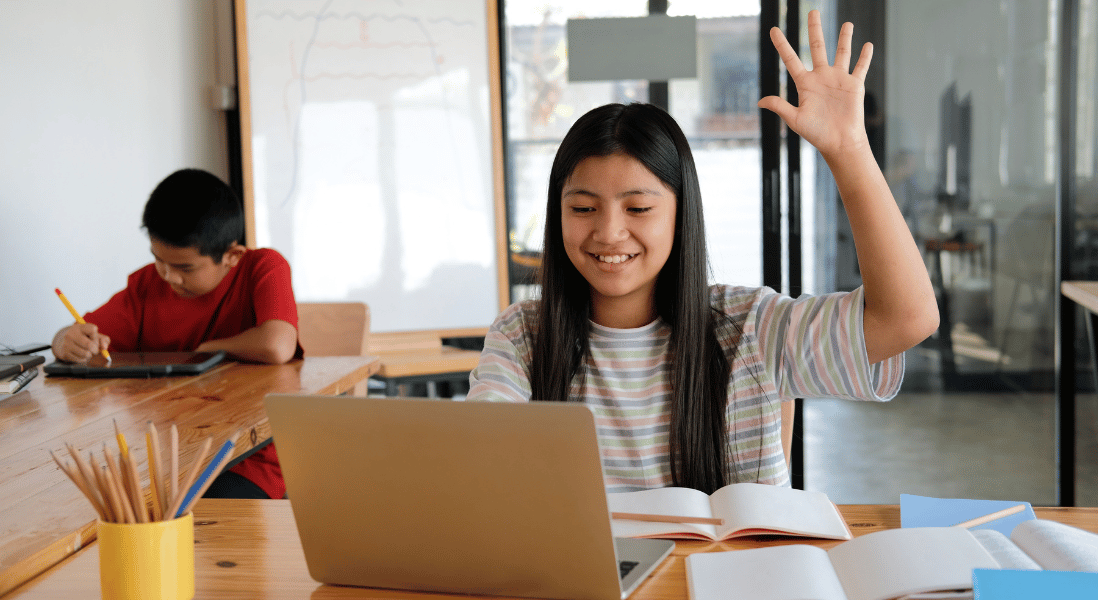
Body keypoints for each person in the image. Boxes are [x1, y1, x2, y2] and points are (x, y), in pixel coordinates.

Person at [468, 11, 938, 493]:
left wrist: (850, 148)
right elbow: (481, 458)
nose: (609, 232)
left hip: (729, 570)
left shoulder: (748, 328)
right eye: (583, 207)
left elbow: (907, 318)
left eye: (638, 208)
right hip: (583, 571)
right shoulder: (523, 337)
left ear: (680, 214)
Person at [51, 168, 302, 499]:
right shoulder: (146, 285)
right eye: (158, 260)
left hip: (246, 457)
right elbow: (78, 333)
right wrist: (65, 341)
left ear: (232, 255)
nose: (169, 277)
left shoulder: (262, 267)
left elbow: (276, 344)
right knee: (91, 502)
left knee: (189, 519)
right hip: (164, 457)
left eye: (185, 268)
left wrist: (206, 348)